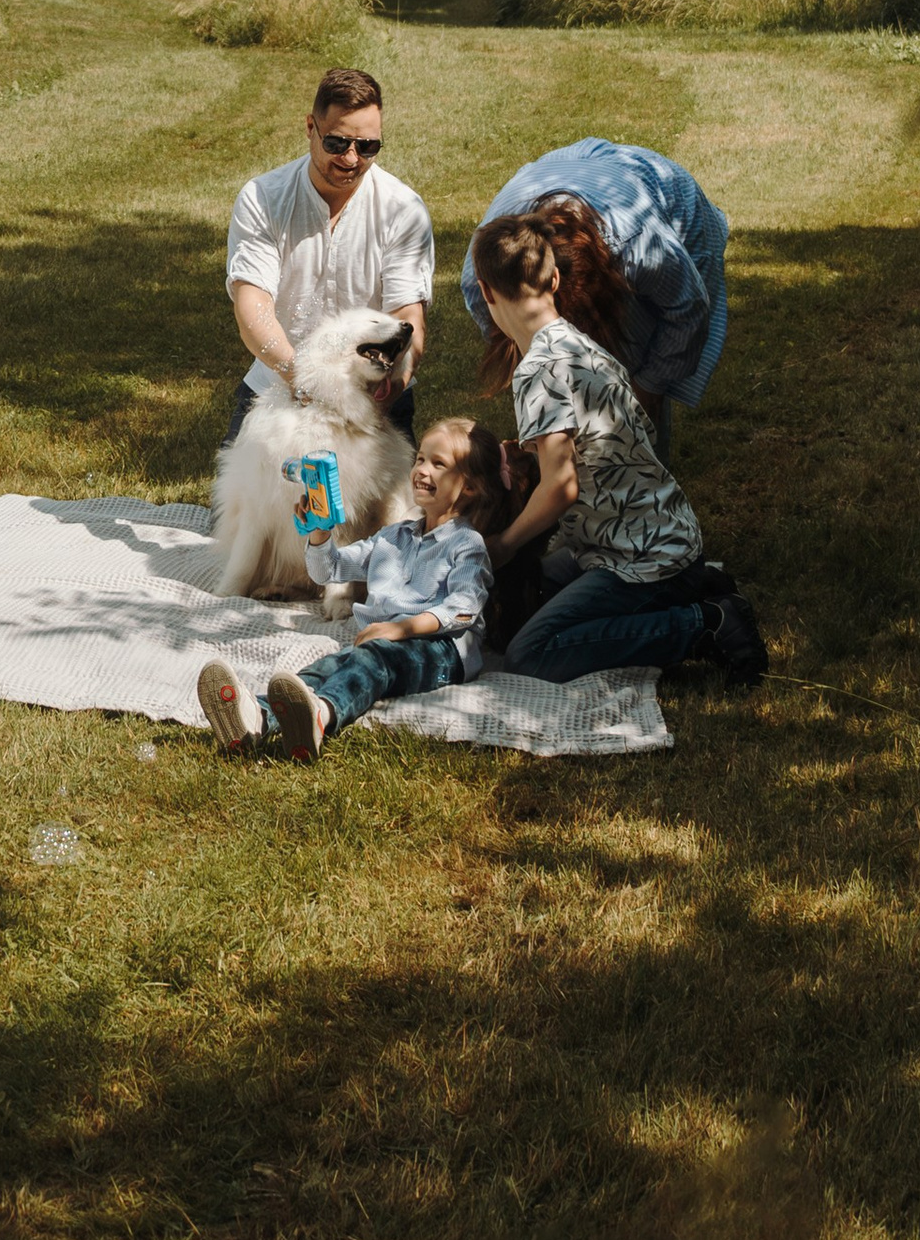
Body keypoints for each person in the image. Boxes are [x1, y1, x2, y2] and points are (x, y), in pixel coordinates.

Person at [472, 213, 765, 688]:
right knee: (536, 592)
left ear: (486, 292)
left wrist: (505, 543)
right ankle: (690, 590)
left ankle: (705, 625)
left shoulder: (538, 371)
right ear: (555, 278)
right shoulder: (582, 346)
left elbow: (561, 487)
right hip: (648, 538)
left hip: (640, 561)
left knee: (530, 653)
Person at [196, 415, 498, 757]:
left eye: (438, 464)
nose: (422, 470)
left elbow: (463, 609)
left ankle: (322, 715)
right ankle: (255, 717)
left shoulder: (465, 543)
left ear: (469, 486)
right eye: (420, 459)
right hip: (383, 641)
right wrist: (320, 531)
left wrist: (400, 629)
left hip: (441, 650)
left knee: (371, 666)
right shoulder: (394, 536)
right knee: (324, 669)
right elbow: (329, 570)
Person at [461, 139, 730, 453]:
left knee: (635, 367)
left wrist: (645, 392)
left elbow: (687, 311)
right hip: (569, 169)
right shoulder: (483, 269)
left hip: (661, 194)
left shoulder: (641, 246)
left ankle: (648, 459)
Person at [223, 67, 432, 444]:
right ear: (310, 128)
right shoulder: (263, 199)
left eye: (367, 147)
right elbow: (252, 309)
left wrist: (395, 382)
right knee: (240, 505)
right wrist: (306, 380)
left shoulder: (403, 209)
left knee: (397, 505)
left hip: (375, 398)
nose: (352, 159)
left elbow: (406, 316)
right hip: (278, 389)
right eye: (337, 143)